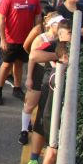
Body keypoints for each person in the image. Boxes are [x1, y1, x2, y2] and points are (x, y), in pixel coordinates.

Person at [0, 0, 42, 105]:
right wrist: (3, 39)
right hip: (10, 39)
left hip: (27, 39)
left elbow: (38, 15)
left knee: (20, 64)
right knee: (6, 64)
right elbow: (1, 19)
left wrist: (37, 35)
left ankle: (17, 87)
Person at [19, 13, 64, 146]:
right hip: (38, 72)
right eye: (59, 24)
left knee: (45, 106)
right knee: (31, 104)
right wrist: (29, 78)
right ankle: (24, 130)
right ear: (52, 25)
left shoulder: (61, 39)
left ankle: (41, 131)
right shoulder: (41, 39)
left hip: (49, 74)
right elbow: (31, 57)